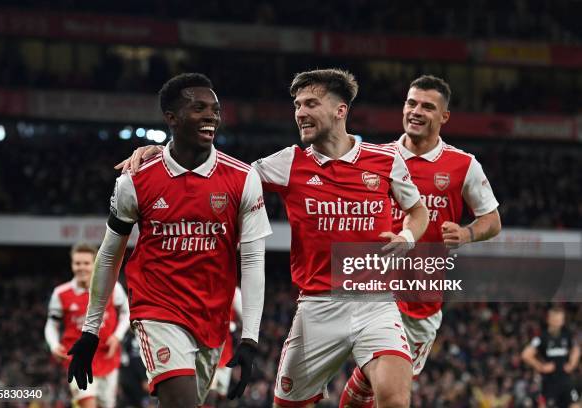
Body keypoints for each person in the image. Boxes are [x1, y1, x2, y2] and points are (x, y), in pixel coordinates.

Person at [118, 68, 430, 408]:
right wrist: (164, 152)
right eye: (297, 105)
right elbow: (223, 175)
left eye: (311, 103)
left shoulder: (386, 159)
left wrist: (407, 237)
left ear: (341, 110)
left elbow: (419, 212)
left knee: (395, 396)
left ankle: (365, 381)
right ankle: (359, 384)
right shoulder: (287, 163)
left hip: (375, 302)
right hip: (317, 307)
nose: (300, 113)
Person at [66, 73, 272, 408]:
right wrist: (90, 330)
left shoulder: (242, 178)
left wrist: (249, 337)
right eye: (199, 108)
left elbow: (251, 260)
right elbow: (109, 255)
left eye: (216, 109)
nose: (211, 116)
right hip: (157, 309)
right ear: (171, 118)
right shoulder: (136, 180)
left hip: (212, 318)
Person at [339, 74, 502, 408]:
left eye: (428, 106)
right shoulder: (377, 157)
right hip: (376, 291)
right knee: (393, 396)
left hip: (423, 301)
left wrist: (467, 233)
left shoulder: (463, 165)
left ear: (444, 116)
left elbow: (493, 220)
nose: (416, 111)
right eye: (411, 103)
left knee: (370, 385)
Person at [45, 242, 130, 408]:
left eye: (86, 263)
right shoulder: (61, 293)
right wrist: (54, 345)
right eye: (77, 263)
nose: (81, 267)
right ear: (72, 264)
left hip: (107, 359)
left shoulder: (112, 287)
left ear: (95, 264)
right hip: (78, 360)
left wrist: (117, 336)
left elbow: (127, 313)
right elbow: (51, 324)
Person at [522, 305, 580, 408]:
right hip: (550, 382)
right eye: (556, 319)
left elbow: (576, 349)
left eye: (561, 319)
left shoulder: (567, 335)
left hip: (565, 379)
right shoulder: (542, 337)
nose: (559, 322)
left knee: (575, 405)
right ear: (549, 319)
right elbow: (526, 354)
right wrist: (540, 366)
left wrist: (572, 364)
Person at [205, 287, 243, 406]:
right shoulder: (203, 285)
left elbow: (245, 320)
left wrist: (234, 326)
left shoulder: (234, 292)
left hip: (225, 351)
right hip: (206, 348)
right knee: (209, 391)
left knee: (221, 394)